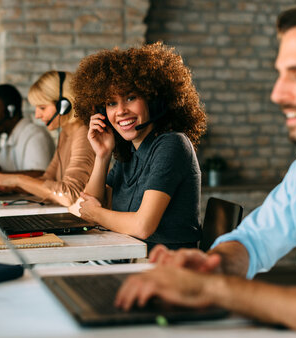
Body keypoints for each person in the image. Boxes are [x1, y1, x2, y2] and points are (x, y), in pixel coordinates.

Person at [115, 4, 296, 338]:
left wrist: (214, 289)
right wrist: (215, 265)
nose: (278, 94)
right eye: (280, 74)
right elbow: (254, 239)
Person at [72, 43, 207, 252]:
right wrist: (102, 155)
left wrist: (96, 214)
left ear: (153, 99)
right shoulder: (129, 152)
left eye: (130, 98)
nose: (121, 111)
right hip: (131, 257)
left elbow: (142, 226)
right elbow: (88, 204)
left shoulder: (172, 145)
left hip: (165, 265)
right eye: (111, 103)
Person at [0, 71, 95, 207]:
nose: (37, 115)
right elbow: (47, 178)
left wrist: (18, 180)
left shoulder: (84, 134)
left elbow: (69, 195)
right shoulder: (66, 133)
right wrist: (12, 186)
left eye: (42, 108)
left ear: (64, 105)